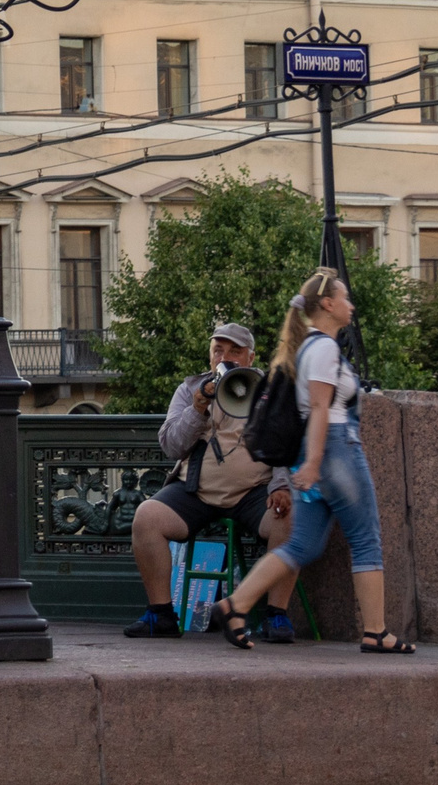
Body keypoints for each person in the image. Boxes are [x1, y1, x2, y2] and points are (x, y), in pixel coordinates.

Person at [225, 270, 409, 653]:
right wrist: (315, 462)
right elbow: (322, 408)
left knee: (302, 546)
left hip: (311, 458)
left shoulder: (305, 347)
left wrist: (307, 465)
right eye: (345, 297)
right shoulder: (324, 348)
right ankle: (375, 632)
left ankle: (236, 605)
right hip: (335, 451)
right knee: (366, 539)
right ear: (327, 304)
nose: (350, 305)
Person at [124, 320, 297, 640]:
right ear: (209, 355)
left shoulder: (270, 391)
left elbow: (287, 442)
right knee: (146, 518)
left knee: (292, 518)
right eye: (218, 349)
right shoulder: (189, 389)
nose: (225, 356)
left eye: (235, 351)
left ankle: (276, 616)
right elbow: (171, 446)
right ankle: (161, 614)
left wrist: (281, 484)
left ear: (251, 358)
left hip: (254, 492)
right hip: (195, 491)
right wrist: (198, 407)